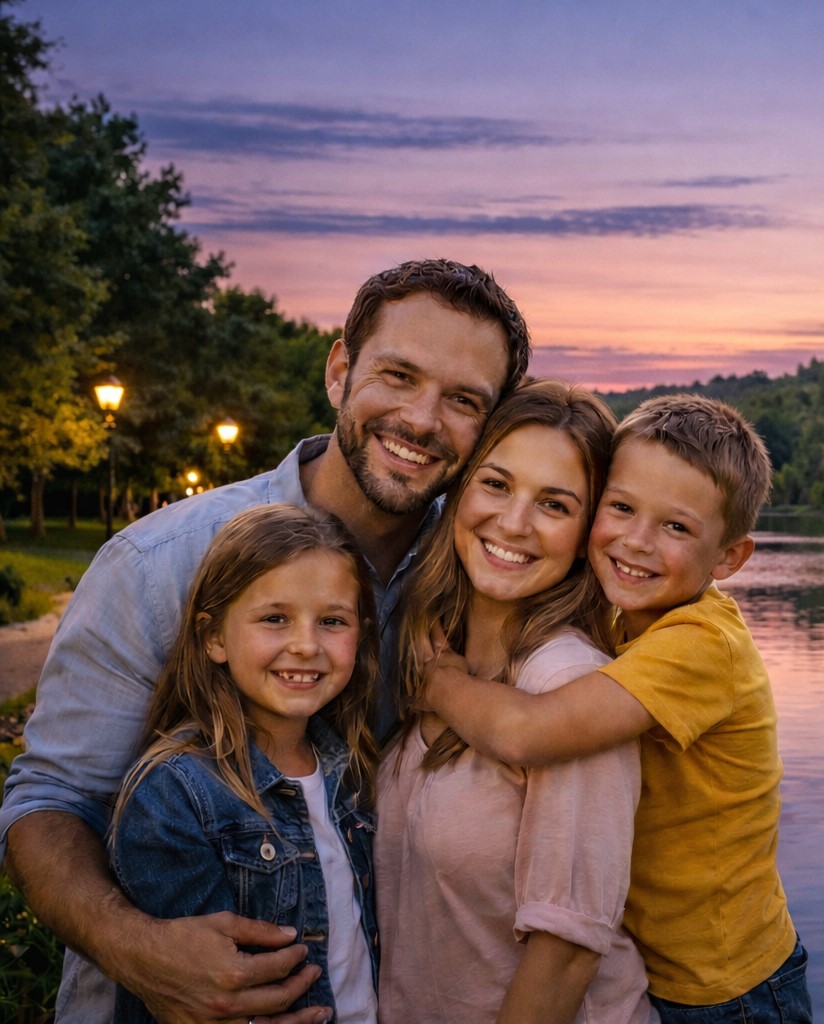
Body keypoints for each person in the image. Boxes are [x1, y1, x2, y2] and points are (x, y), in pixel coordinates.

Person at [0, 258, 529, 1024]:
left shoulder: (492, 583)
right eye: (399, 376)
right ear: (340, 371)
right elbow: (51, 800)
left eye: (463, 400)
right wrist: (134, 947)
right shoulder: (158, 565)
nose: (422, 419)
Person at [426, 394, 811, 1024]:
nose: (636, 541)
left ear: (729, 557)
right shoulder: (622, 619)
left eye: (676, 527)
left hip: (726, 990)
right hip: (660, 967)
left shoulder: (702, 645)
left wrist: (437, 680)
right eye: (622, 508)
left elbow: (528, 731)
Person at [376, 379, 656, 1024]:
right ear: (458, 492)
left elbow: (566, 954)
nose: (513, 523)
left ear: (588, 533)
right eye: (496, 484)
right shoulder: (430, 653)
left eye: (554, 505)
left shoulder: (571, 688)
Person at [110, 504, 381, 1024]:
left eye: (332, 621)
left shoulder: (352, 771)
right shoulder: (175, 793)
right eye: (275, 618)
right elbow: (197, 989)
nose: (305, 645)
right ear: (213, 637)